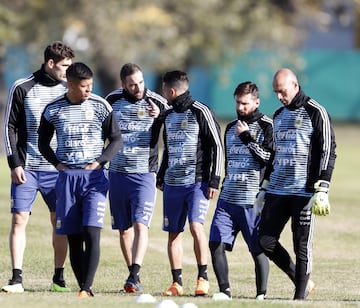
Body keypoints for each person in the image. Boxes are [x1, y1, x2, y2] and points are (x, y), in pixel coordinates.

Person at [38, 62, 122, 297]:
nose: (88, 90)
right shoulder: (53, 109)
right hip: (67, 179)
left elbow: (116, 139)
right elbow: (42, 142)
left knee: (91, 230)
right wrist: (58, 164)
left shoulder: (101, 106)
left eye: (91, 86)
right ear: (71, 84)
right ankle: (82, 287)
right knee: (74, 236)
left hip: (94, 178)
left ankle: (87, 287)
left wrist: (100, 162)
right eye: (84, 86)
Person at [256, 68, 336, 300]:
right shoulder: (279, 115)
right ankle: (301, 280)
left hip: (304, 191)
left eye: (282, 91)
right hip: (277, 190)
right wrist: (264, 185)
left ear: (294, 85)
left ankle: (299, 298)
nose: (279, 96)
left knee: (301, 246)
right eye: (275, 92)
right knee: (265, 240)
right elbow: (274, 154)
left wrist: (323, 187)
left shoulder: (316, 112)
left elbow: (328, 151)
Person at [2, 41, 75, 293]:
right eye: (65, 66)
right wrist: (14, 163)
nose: (68, 70)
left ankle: (58, 278)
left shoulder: (70, 88)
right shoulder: (22, 87)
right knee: (19, 220)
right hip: (27, 168)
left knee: (60, 222)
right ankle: (17, 279)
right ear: (50, 63)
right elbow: (9, 126)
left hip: (58, 170)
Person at [157, 70, 223, 297]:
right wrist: (161, 175)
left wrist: (214, 178)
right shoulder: (168, 115)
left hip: (197, 182)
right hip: (172, 183)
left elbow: (217, 146)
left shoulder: (201, 111)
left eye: (164, 90)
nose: (163, 93)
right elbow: (168, 148)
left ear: (171, 91)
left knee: (196, 226)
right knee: (173, 233)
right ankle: (176, 283)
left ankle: (203, 278)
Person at [105, 63, 168, 293]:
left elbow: (175, 126)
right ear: (123, 85)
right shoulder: (111, 100)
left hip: (144, 173)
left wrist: (160, 117)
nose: (138, 87)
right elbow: (102, 128)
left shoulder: (157, 101)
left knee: (141, 224)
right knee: (124, 229)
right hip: (117, 173)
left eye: (141, 82)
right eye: (132, 84)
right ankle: (133, 276)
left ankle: (134, 274)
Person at [209, 81, 273, 301]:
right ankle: (224, 291)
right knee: (215, 242)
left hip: (252, 199)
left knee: (257, 249)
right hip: (228, 198)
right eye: (238, 102)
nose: (241, 107)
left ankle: (261, 294)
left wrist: (247, 138)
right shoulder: (230, 127)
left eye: (245, 103)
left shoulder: (266, 126)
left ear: (256, 102)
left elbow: (268, 158)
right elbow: (229, 163)